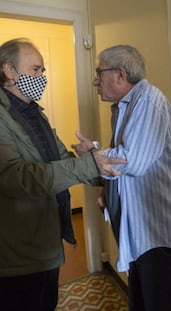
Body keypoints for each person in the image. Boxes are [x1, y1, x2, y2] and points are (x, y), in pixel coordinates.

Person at [0, 38, 124, 311]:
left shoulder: (35, 113)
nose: (41, 77)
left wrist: (101, 172)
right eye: (35, 70)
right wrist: (90, 165)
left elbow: (61, 159)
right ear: (9, 71)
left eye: (42, 71)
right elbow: (18, 177)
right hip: (17, 257)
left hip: (46, 245)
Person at [73, 44, 171, 311]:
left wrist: (91, 153)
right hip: (140, 235)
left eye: (98, 72)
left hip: (158, 237)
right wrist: (108, 191)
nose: (95, 80)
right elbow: (131, 162)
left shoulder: (149, 100)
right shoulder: (123, 107)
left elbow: (132, 161)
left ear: (120, 74)